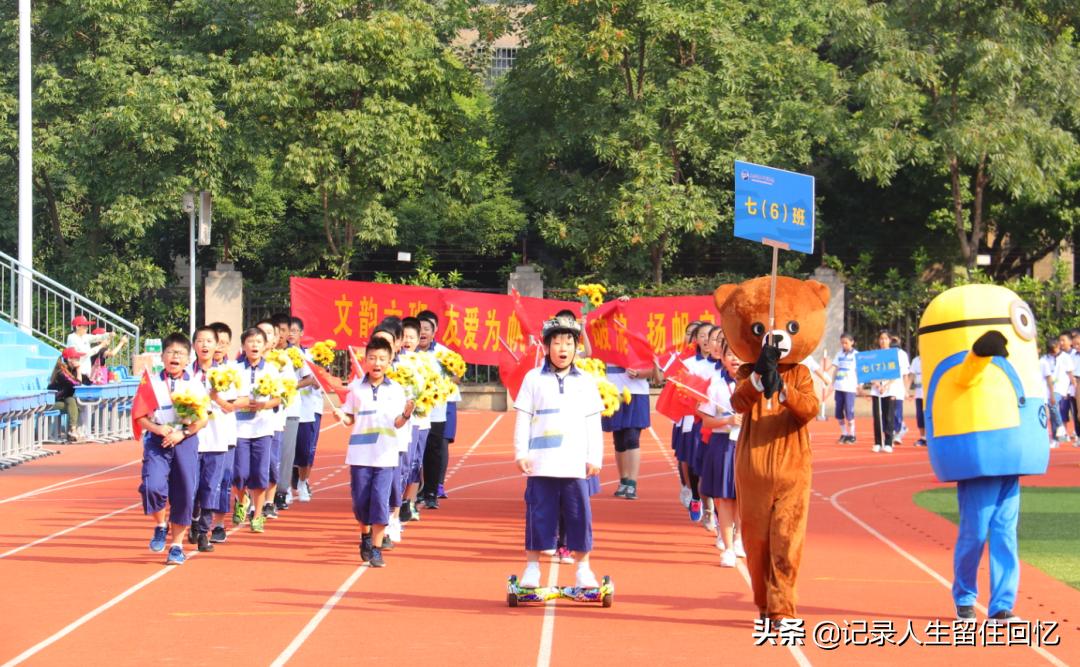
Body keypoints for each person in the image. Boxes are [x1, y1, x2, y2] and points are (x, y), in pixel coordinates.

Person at [513, 314, 604, 590]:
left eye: (568, 342)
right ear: (546, 347)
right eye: (557, 342)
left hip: (574, 463)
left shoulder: (585, 381)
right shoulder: (532, 379)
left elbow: (593, 421)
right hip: (541, 463)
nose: (563, 348)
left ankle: (583, 569)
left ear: (577, 347)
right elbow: (522, 418)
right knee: (539, 515)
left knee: (579, 517)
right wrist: (520, 453)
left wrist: (594, 457)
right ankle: (532, 568)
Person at [333, 336, 414, 568]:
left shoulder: (396, 390)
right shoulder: (356, 388)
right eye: (372, 358)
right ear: (365, 360)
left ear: (389, 362)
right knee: (361, 503)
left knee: (380, 501)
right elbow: (349, 418)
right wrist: (341, 416)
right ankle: (365, 536)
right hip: (360, 454)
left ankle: (377, 549)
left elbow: (398, 423)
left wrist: (407, 413)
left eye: (382, 359)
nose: (376, 363)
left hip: (385, 454)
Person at [132, 333, 209, 565]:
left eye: (181, 353)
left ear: (188, 359)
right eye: (171, 352)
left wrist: (182, 433)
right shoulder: (151, 382)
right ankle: (160, 524)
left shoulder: (195, 383)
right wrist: (158, 429)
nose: (175, 357)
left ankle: (176, 545)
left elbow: (203, 419)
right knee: (152, 486)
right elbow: (139, 416)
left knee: (184, 493)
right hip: (158, 441)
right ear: (163, 356)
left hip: (185, 441)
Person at [696, 335, 744, 567]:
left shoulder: (756, 383)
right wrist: (727, 420)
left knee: (745, 496)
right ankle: (727, 547)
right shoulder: (715, 385)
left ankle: (739, 537)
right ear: (722, 358)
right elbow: (705, 420)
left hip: (748, 445)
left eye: (738, 354)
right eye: (730, 354)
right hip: (723, 445)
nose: (734, 358)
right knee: (724, 498)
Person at [232, 327, 282, 533]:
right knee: (240, 473)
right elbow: (227, 399)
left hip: (262, 428)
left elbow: (278, 399)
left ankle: (258, 514)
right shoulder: (233, 369)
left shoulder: (271, 370)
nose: (254, 345)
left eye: (258, 342)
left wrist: (261, 405)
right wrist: (241, 402)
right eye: (250, 342)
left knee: (260, 474)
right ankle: (241, 501)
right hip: (238, 428)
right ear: (243, 346)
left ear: (265, 346)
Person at [188, 326, 229, 553]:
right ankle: (193, 519)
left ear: (217, 346)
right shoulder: (185, 374)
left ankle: (204, 531)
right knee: (191, 487)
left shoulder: (226, 374)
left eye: (209, 341)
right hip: (191, 438)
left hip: (216, 437)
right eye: (200, 341)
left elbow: (232, 405)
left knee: (210, 486)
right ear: (194, 345)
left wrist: (216, 397)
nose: (204, 345)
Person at [207, 322, 237, 543]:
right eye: (216, 341)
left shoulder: (233, 370)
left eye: (224, 343)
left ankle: (218, 524)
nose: (219, 347)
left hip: (225, 434)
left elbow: (235, 404)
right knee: (201, 482)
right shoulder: (194, 370)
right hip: (199, 435)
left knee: (223, 481)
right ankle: (199, 521)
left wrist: (216, 397)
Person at [293, 316, 324, 502]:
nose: (289, 334)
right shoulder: (278, 357)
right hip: (288, 408)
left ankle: (303, 482)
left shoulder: (312, 355)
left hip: (310, 408)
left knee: (307, 450)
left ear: (301, 333)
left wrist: (318, 374)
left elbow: (318, 383)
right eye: (287, 330)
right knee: (288, 449)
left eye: (294, 331)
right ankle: (287, 487)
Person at [47, 348, 91, 442]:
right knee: (73, 402)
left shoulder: (71, 370)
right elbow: (76, 384)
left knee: (73, 403)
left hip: (64, 401)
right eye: (77, 358)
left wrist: (92, 375)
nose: (78, 361)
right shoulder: (61, 372)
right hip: (53, 402)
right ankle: (73, 431)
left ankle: (73, 431)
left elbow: (88, 382)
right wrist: (79, 370)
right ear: (69, 359)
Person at [869, 330, 900, 453]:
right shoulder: (874, 355)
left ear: (890, 340)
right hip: (876, 390)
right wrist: (877, 384)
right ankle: (877, 442)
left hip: (889, 389)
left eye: (886, 339)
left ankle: (888, 442)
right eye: (881, 339)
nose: (883, 341)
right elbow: (868, 372)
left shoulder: (894, 355)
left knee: (889, 416)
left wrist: (885, 386)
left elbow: (895, 374)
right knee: (877, 416)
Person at [1040, 337, 1073, 445]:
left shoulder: (1065, 357)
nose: (1053, 352)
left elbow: (1070, 373)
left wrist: (1072, 387)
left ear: (1058, 346)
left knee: (1052, 405)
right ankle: (1056, 437)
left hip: (1060, 386)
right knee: (1053, 410)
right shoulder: (1045, 358)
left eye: (1054, 350)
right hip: (1048, 387)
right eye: (1050, 350)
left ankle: (1060, 427)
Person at [831, 333, 858, 444]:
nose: (844, 345)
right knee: (838, 412)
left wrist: (859, 385)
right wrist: (832, 383)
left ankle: (852, 435)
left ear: (852, 342)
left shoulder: (856, 355)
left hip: (850, 387)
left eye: (846, 342)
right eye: (842, 342)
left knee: (849, 411)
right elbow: (836, 369)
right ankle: (844, 433)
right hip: (839, 386)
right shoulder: (839, 354)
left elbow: (859, 371)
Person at [890, 335, 911, 445]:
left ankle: (897, 433)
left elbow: (905, 375)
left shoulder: (902, 354)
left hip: (898, 388)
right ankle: (901, 428)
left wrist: (906, 390)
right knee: (889, 412)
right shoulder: (885, 353)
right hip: (886, 389)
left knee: (897, 412)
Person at [908, 351, 926, 447]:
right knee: (920, 416)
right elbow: (911, 376)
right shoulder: (916, 360)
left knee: (930, 416)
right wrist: (906, 390)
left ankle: (931, 438)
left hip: (930, 394)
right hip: (919, 394)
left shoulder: (933, 356)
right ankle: (923, 438)